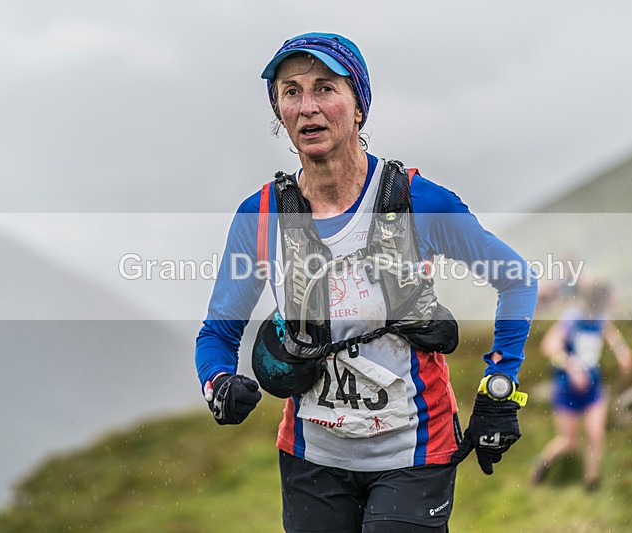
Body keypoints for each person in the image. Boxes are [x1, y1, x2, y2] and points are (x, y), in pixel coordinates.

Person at [195, 32, 537, 532]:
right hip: (312, 458)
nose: (308, 106)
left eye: (325, 88)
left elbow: (517, 281)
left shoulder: (420, 202)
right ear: (280, 113)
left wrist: (499, 389)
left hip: (415, 453)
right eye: (291, 92)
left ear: (359, 107)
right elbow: (217, 333)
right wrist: (218, 383)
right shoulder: (261, 216)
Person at [531, 281, 632, 491]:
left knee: (595, 435)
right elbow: (548, 346)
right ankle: (541, 467)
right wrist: (571, 365)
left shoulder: (601, 318)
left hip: (593, 387)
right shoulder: (572, 319)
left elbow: (612, 335)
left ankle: (591, 483)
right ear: (598, 301)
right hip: (566, 388)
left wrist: (622, 351)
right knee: (569, 442)